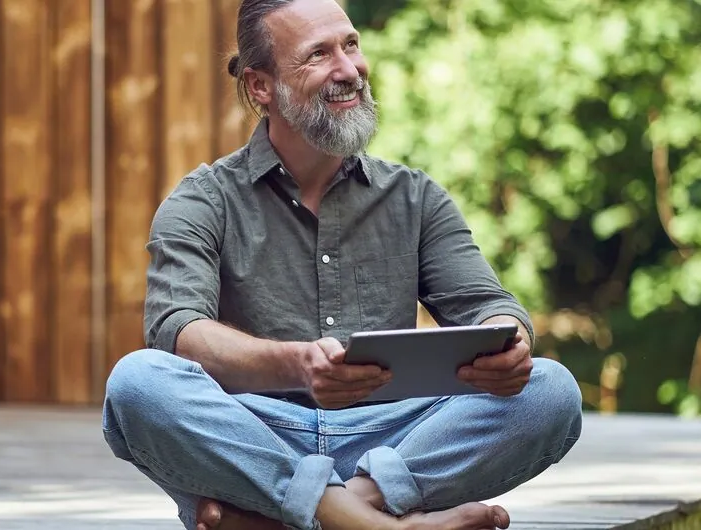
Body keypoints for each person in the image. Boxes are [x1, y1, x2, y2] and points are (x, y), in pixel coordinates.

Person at [99, 0, 583, 529]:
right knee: (138, 384)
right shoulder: (203, 200)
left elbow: (492, 308)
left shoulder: (416, 197)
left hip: (397, 441)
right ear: (261, 87)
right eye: (319, 54)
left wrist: (507, 342)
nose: (349, 69)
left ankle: (312, 511)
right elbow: (176, 330)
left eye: (350, 45)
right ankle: (376, 524)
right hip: (259, 434)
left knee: (549, 390)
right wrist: (298, 364)